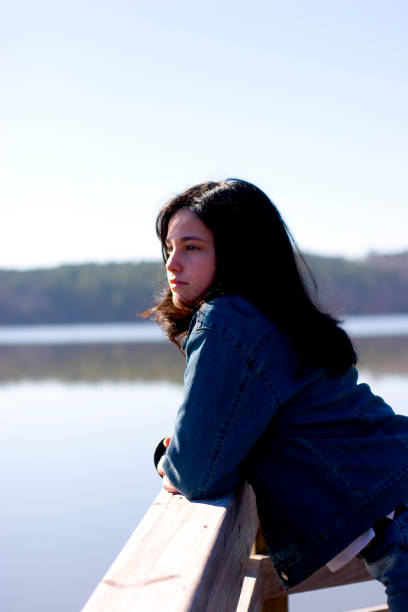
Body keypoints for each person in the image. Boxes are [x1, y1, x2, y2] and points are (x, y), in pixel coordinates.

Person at [145, 178, 408, 611]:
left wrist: (166, 456)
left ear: (238, 250)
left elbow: (194, 473)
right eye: (169, 248)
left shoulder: (226, 318)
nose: (173, 264)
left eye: (192, 247)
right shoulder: (270, 313)